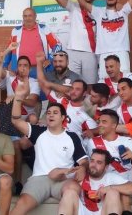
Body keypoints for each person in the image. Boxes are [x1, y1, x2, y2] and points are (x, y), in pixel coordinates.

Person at [10, 78, 88, 215]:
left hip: (64, 178)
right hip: (40, 178)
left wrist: (82, 168)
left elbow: (83, 161)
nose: (51, 115)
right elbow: (15, 121)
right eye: (49, 113)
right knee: (20, 205)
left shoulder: (72, 136)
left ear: (63, 118)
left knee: (72, 191)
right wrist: (18, 98)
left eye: (55, 113)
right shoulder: (38, 132)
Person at [72, 0, 132, 79]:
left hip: (121, 51)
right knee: (105, 83)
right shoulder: (99, 12)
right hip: (104, 52)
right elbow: (83, 3)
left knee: (124, 80)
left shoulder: (123, 11)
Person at [58, 148, 132, 215]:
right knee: (69, 193)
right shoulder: (80, 174)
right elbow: (53, 175)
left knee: (113, 193)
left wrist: (108, 188)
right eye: (92, 160)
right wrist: (69, 179)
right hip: (82, 211)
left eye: (99, 162)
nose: (93, 164)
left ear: (106, 167)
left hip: (102, 211)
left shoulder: (110, 177)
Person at [53, 0, 98, 86]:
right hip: (73, 51)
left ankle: (87, 104)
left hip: (90, 53)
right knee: (71, 84)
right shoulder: (73, 6)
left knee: (89, 85)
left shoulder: (98, 11)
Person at [3, 7, 62, 77]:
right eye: (25, 16)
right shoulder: (15, 31)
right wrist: (5, 65)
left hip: (40, 71)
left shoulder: (44, 29)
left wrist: (50, 59)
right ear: (22, 17)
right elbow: (9, 49)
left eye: (30, 16)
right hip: (19, 71)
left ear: (35, 16)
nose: (27, 18)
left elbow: (58, 45)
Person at [41, 78, 98, 146]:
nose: (73, 92)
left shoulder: (86, 115)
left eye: (77, 89)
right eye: (72, 88)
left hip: (70, 146)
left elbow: (94, 134)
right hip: (52, 140)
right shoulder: (62, 101)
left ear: (84, 93)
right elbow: (43, 84)